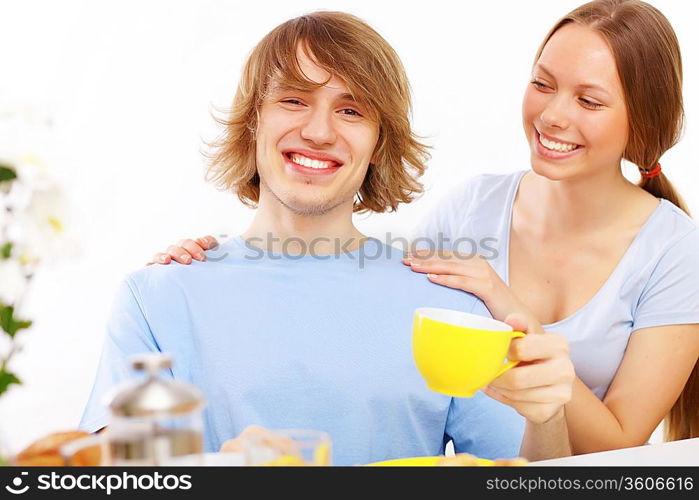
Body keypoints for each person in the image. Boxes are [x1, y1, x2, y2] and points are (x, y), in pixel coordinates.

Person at [159, 0, 699, 453]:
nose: (554, 115)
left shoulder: (676, 251)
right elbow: (367, 297)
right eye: (543, 83)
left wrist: (505, 302)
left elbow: (623, 447)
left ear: (643, 119)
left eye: (589, 100)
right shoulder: (472, 206)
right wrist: (221, 260)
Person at [80, 11, 574, 466]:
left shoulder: (449, 308)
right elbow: (117, 474)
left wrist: (547, 415)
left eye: (351, 110)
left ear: (380, 142)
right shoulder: (157, 296)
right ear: (254, 120)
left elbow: (522, 476)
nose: (318, 131)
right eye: (293, 100)